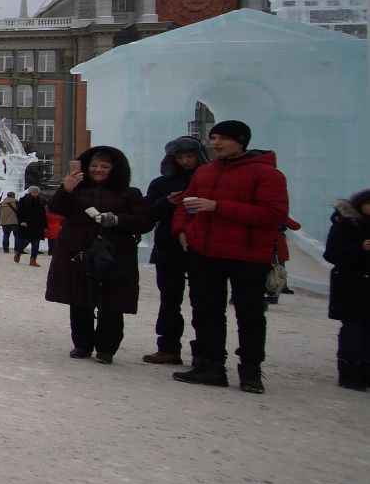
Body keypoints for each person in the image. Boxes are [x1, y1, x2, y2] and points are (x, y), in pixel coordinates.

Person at [171, 120, 290, 394]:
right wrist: (181, 230)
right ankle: (211, 366)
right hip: (205, 252)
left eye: (223, 138)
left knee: (249, 313)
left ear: (241, 141)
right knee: (206, 311)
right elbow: (186, 205)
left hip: (246, 253)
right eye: (213, 138)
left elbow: (273, 215)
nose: (216, 143)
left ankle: (250, 370)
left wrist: (218, 207)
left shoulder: (267, 174)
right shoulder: (205, 172)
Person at [45, 146, 153, 364]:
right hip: (78, 251)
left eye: (105, 166)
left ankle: (106, 348)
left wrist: (117, 220)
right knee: (79, 300)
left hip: (114, 253)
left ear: (115, 169)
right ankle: (82, 345)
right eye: (94, 165)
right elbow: (57, 208)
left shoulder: (129, 193)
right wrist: (66, 188)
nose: (99, 170)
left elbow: (146, 221)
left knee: (112, 303)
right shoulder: (76, 189)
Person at [140, 136, 207, 365]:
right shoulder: (162, 183)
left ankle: (204, 352)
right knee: (169, 300)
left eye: (189, 156)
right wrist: (167, 203)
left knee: (204, 302)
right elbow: (148, 212)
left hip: (202, 246)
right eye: (180, 157)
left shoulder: (209, 179)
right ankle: (168, 347)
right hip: (169, 247)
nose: (185, 161)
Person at [323, 189, 370, 391]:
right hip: (351, 287)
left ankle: (366, 372)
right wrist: (361, 248)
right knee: (354, 330)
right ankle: (349, 373)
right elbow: (331, 255)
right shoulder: (344, 225)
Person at [14, 186, 47, 266]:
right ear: (30, 192)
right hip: (27, 225)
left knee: (36, 244)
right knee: (24, 242)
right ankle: (18, 252)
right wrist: (21, 221)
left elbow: (43, 214)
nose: (35, 193)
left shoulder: (41, 200)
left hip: (38, 225)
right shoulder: (23, 200)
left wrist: (45, 226)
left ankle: (33, 260)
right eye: (33, 192)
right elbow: (19, 212)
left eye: (36, 192)